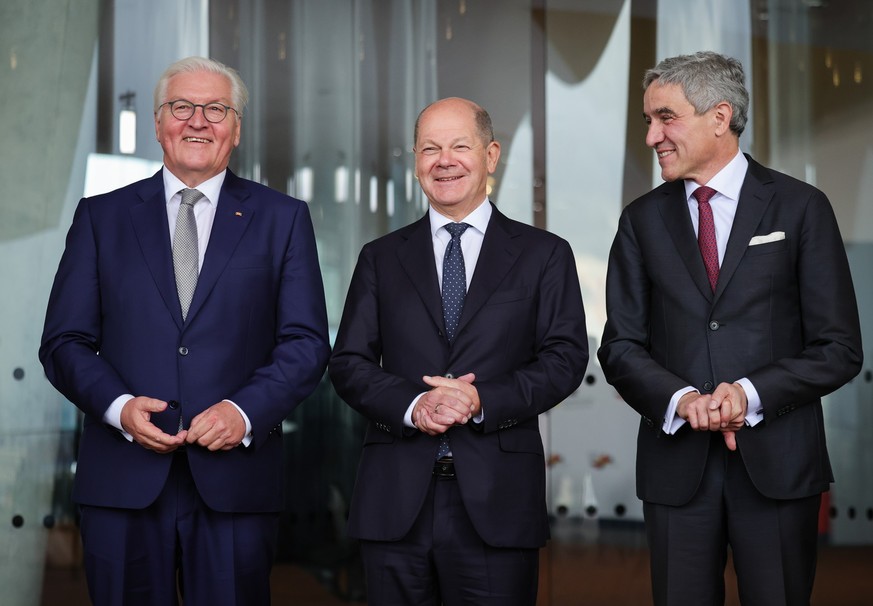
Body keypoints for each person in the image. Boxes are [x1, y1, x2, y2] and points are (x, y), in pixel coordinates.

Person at [39, 56, 330, 605]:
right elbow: (63, 342)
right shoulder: (100, 217)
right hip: (122, 481)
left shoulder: (282, 218)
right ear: (157, 122)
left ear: (236, 128)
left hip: (235, 480)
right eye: (182, 107)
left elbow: (307, 342)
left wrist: (243, 412)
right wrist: (119, 406)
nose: (198, 121)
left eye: (216, 109)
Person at [598, 51, 863, 606]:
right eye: (649, 120)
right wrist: (682, 399)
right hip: (677, 473)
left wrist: (748, 394)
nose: (652, 136)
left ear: (720, 117)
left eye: (665, 117)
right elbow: (621, 346)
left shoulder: (802, 207)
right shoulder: (641, 220)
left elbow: (838, 348)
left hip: (779, 466)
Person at [329, 97, 588, 605]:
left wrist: (480, 400)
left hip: (497, 498)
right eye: (429, 148)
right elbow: (348, 363)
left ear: (491, 155)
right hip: (395, 499)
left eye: (459, 146)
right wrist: (412, 404)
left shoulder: (544, 254)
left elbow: (565, 359)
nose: (443, 160)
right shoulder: (380, 257)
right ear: (416, 160)